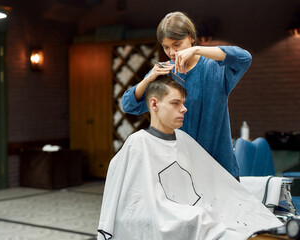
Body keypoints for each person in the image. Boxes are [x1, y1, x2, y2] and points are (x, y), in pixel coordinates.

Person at [97, 76, 282, 240]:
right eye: (175, 103)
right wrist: (194, 215)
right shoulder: (138, 144)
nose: (184, 109)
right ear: (154, 104)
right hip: (178, 217)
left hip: (201, 210)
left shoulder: (184, 140)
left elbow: (214, 183)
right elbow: (131, 207)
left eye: (183, 103)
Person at [121, 11, 252, 179]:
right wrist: (149, 79)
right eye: (166, 47)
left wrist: (197, 50)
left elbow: (244, 58)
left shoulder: (216, 69)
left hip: (219, 168)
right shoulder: (163, 73)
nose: (171, 52)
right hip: (179, 172)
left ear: (191, 37)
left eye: (177, 44)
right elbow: (128, 105)